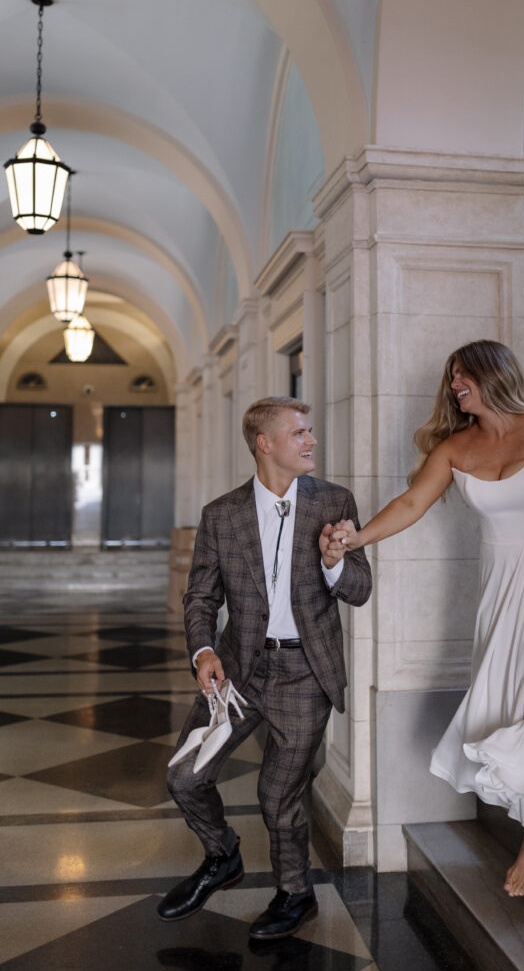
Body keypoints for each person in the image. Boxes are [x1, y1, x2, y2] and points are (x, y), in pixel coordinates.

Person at [331, 340, 524, 897]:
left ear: (495, 374)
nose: (455, 385)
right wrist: (356, 540)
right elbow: (411, 505)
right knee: (519, 704)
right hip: (503, 587)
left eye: (463, 374)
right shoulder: (454, 448)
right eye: (452, 378)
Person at [159, 397, 371, 937]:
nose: (311, 441)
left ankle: (295, 895)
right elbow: (200, 598)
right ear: (265, 443)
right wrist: (203, 651)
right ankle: (223, 854)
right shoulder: (221, 515)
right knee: (184, 775)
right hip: (238, 673)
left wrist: (333, 564)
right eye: (299, 432)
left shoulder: (334, 502)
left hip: (305, 674)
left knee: (277, 798)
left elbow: (361, 589)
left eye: (310, 431)